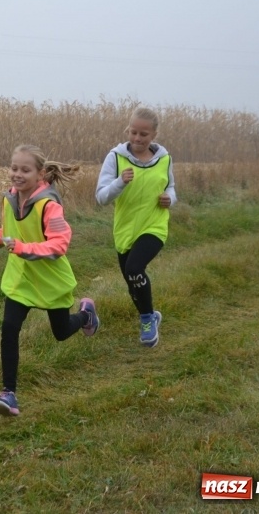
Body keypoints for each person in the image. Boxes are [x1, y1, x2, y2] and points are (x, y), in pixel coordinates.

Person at [0, 144, 100, 417]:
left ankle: (86, 314)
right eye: (14, 168)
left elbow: (59, 245)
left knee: (61, 332)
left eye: (25, 169)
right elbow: (9, 233)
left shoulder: (49, 205)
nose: (17, 174)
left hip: (49, 280)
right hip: (20, 280)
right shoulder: (10, 199)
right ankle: (8, 394)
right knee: (9, 328)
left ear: (40, 174)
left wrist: (23, 248)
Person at [95, 107, 177, 348]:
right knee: (133, 281)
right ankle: (150, 314)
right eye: (134, 133)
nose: (138, 139)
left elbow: (172, 188)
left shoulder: (164, 159)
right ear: (127, 130)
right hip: (125, 231)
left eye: (144, 134)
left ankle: (146, 321)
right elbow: (101, 197)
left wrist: (170, 199)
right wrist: (120, 182)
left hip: (154, 226)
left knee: (135, 268)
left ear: (154, 135)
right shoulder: (115, 157)